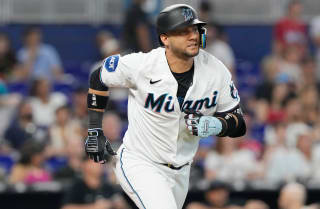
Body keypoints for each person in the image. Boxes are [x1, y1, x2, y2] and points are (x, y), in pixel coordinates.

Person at [84, 4, 246, 209]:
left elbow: (238, 122)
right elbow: (99, 77)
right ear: (165, 39)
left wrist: (216, 125)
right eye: (183, 31)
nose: (192, 36)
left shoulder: (216, 70)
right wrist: (95, 130)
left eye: (194, 29)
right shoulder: (142, 65)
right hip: (141, 162)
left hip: (181, 171)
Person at [60, 156, 130, 209]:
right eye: (95, 161)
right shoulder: (77, 186)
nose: (99, 164)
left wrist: (119, 204)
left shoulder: (108, 186)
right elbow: (66, 207)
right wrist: (94, 207)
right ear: (84, 165)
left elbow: (123, 205)